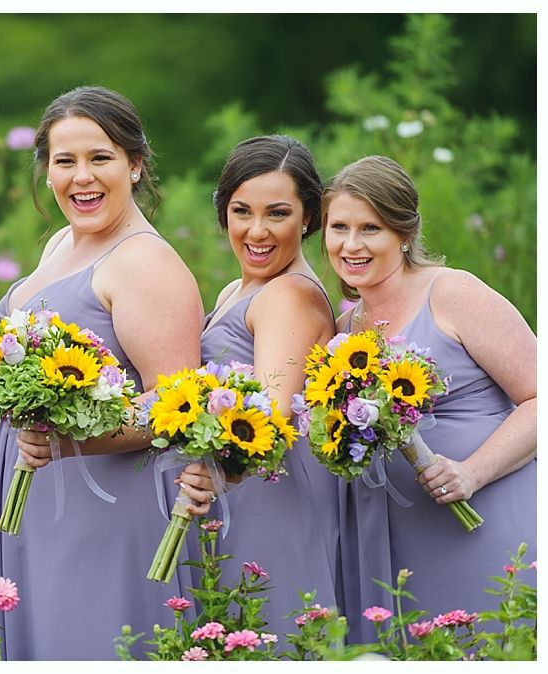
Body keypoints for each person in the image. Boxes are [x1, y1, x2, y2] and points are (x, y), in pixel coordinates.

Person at [0, 85, 215, 660]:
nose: (81, 177)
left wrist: (69, 442)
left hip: (103, 510)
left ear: (136, 164)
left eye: (100, 158)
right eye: (64, 161)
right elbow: (11, 408)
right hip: (37, 504)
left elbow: (175, 408)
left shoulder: (145, 262)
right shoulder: (59, 246)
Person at [322, 155, 536, 642]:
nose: (350, 245)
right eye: (339, 228)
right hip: (396, 544)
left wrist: (471, 471)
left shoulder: (453, 294)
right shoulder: (345, 330)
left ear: (404, 232)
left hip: (483, 525)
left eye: (370, 228)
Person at [199, 135, 341, 640]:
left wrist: (211, 475)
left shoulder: (290, 296)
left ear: (308, 218)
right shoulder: (238, 290)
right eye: (241, 211)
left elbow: (272, 415)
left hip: (265, 495)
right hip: (235, 491)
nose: (256, 231)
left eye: (277, 214)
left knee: (267, 633)